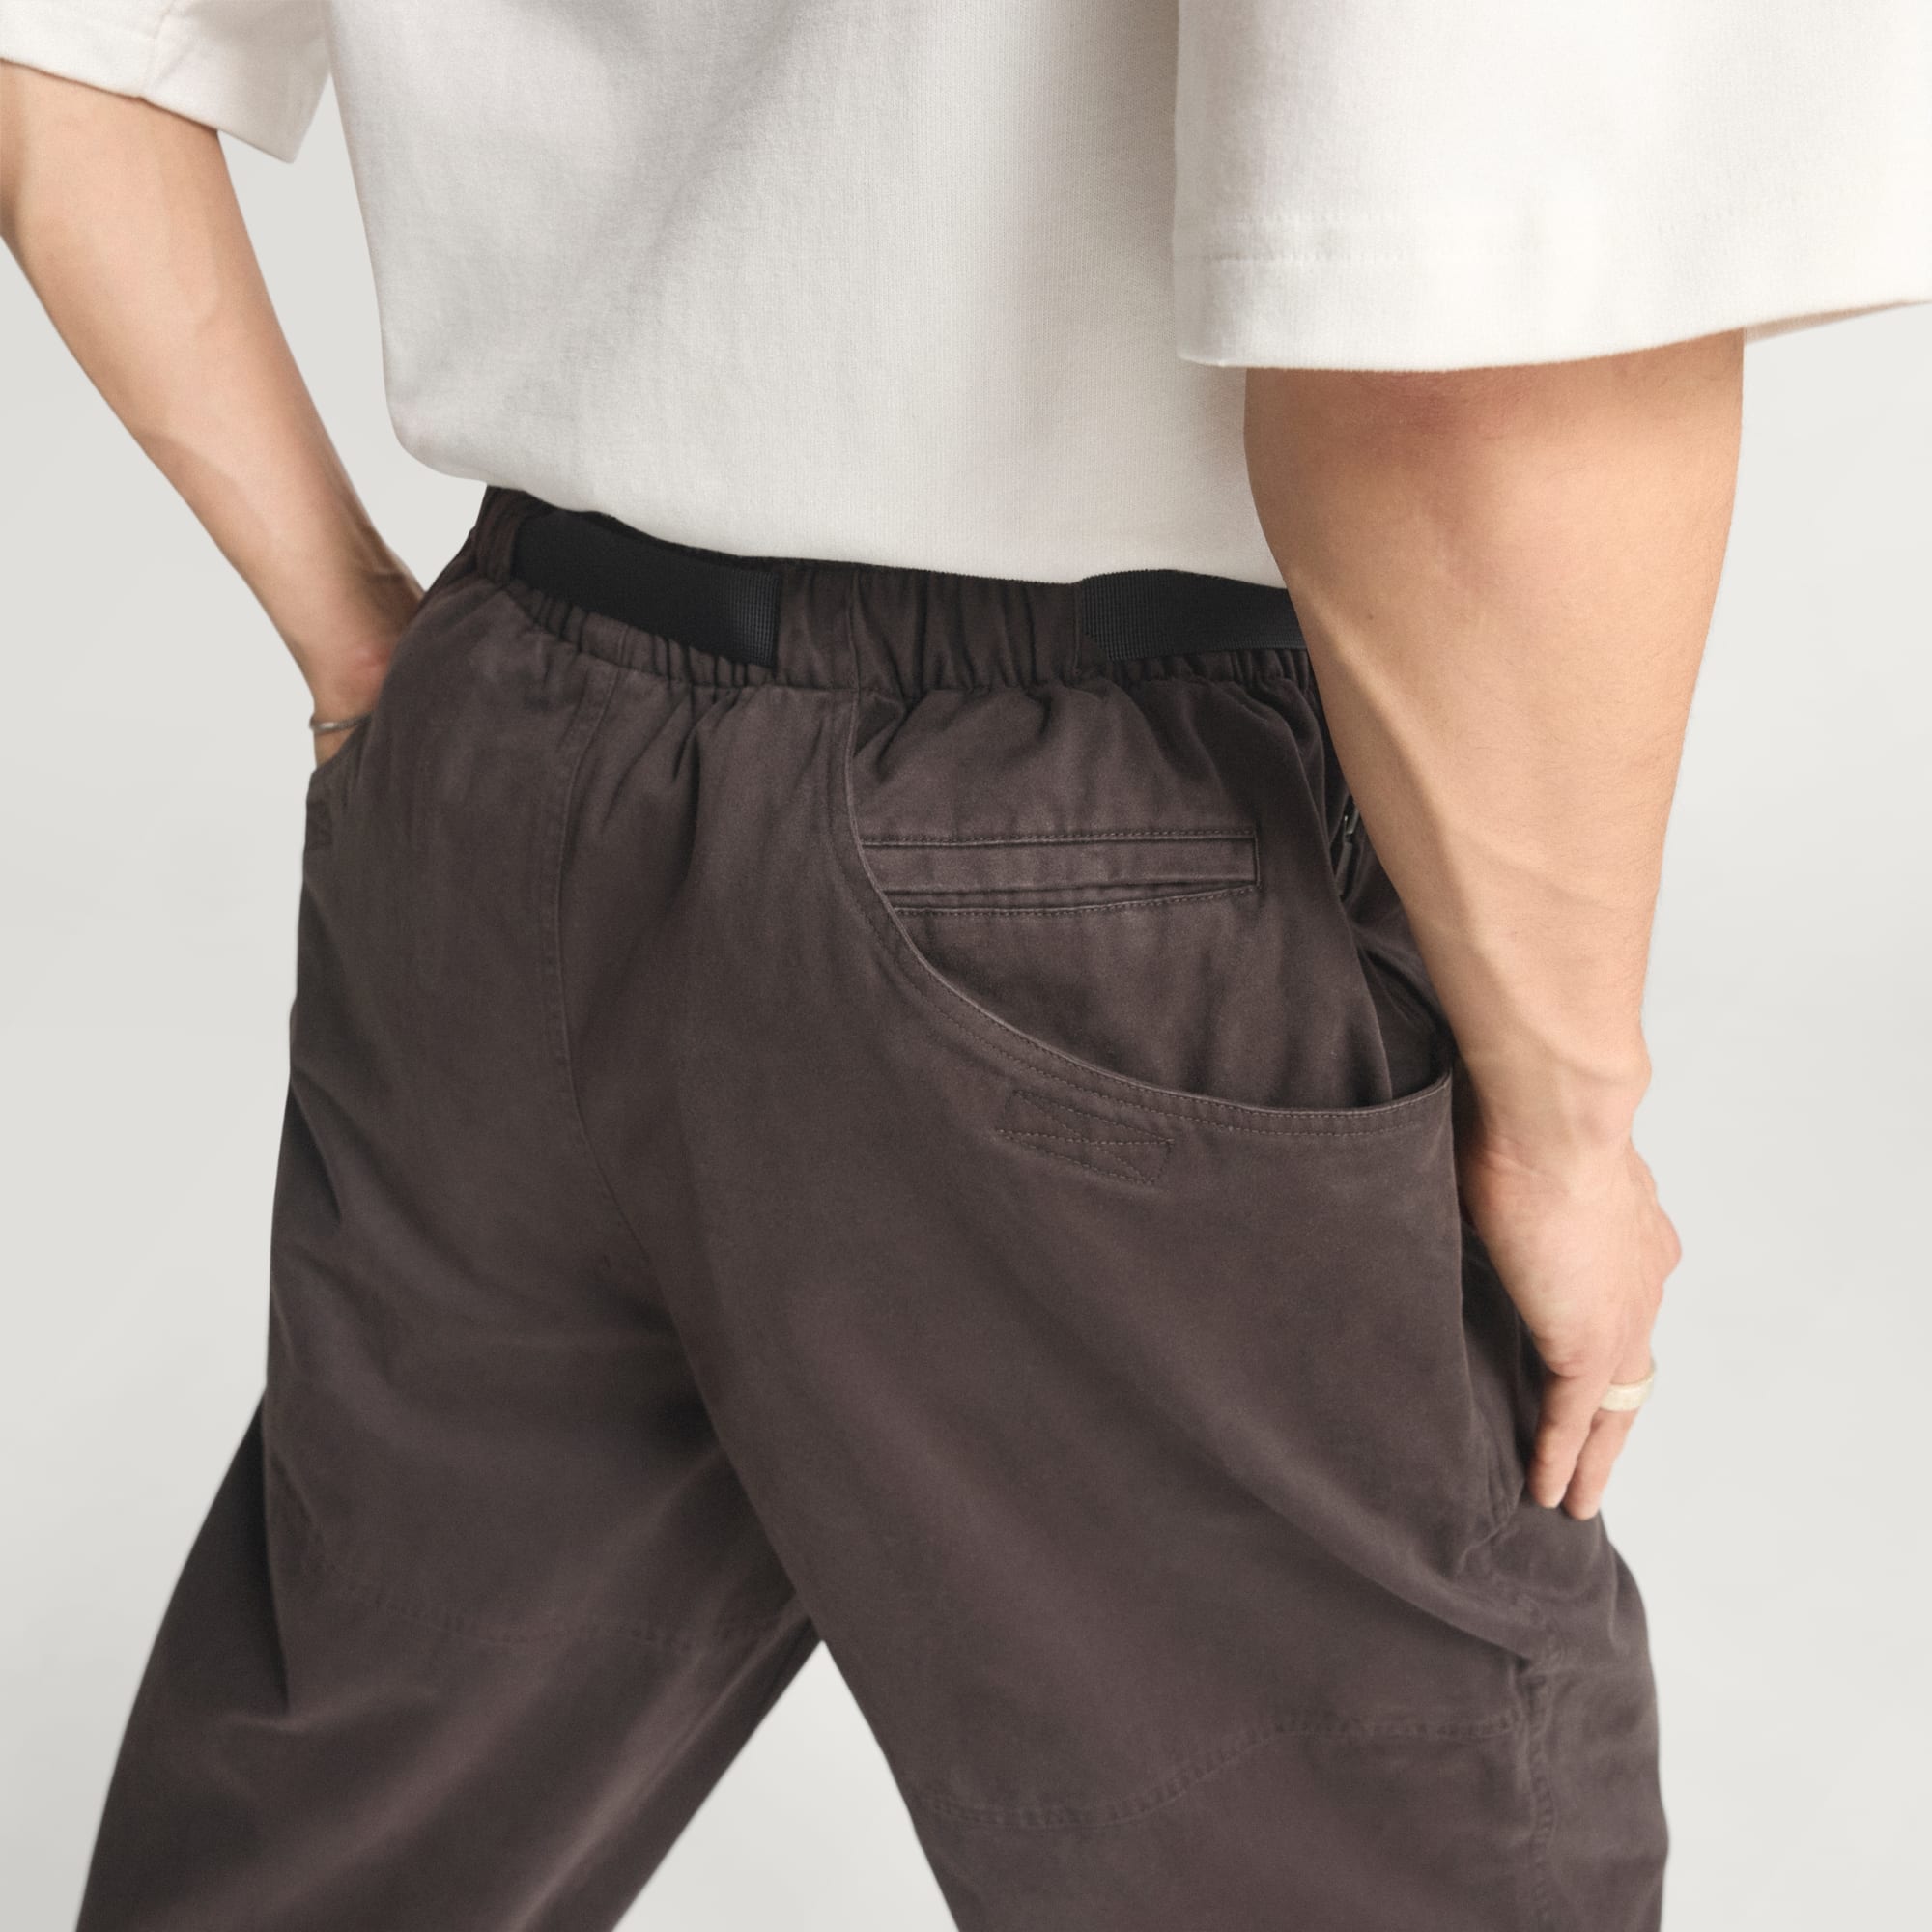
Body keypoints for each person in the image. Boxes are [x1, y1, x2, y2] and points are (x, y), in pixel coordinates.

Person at [1, 6, 1924, 1928]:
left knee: (335, 1850)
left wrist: (361, 641)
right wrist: (1570, 1118)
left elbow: (62, 57)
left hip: (516, 754)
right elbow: (1467, 350)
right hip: (1087, 866)